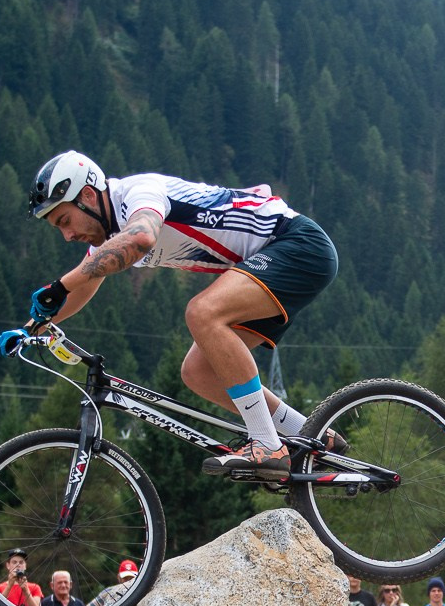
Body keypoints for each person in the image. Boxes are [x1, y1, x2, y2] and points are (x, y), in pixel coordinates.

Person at [22, 152, 340, 480]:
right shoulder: (112, 230)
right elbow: (85, 282)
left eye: (64, 221)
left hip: (296, 244)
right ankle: (314, 435)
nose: (67, 236)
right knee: (198, 372)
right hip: (269, 259)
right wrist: (32, 327)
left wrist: (59, 286)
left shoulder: (137, 194)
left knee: (202, 313)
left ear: (88, 196)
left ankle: (267, 445)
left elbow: (141, 239)